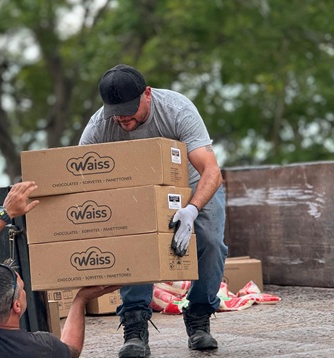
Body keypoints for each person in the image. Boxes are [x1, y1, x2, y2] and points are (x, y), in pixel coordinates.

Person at [79, 64, 227, 357]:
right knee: (135, 246)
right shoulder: (99, 126)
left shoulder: (177, 110)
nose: (123, 118)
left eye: (129, 109)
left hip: (191, 186)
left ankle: (199, 316)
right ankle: (135, 326)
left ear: (147, 94)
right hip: (136, 194)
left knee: (211, 243)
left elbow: (211, 170)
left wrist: (193, 209)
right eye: (116, 112)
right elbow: (81, 177)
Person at [0, 181, 120, 358]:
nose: (24, 290)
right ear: (16, 306)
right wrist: (80, 299)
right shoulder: (37, 348)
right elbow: (71, 350)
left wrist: (5, 213)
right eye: (22, 288)